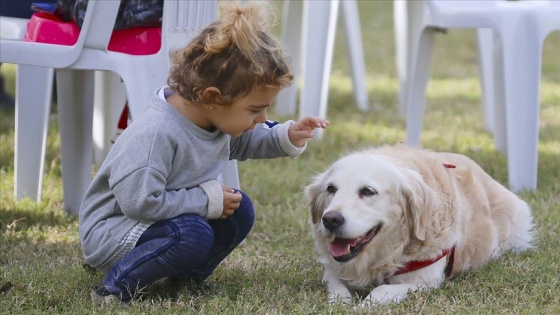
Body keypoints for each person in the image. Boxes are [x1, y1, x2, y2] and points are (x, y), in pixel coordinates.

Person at [79, 0, 329, 304]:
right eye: (255, 110)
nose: (262, 118)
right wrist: (205, 200)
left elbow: (243, 141)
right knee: (192, 232)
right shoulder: (157, 134)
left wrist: (286, 135)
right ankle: (116, 287)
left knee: (239, 210)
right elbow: (140, 203)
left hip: (163, 221)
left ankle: (185, 277)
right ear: (213, 97)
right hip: (116, 232)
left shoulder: (211, 118)